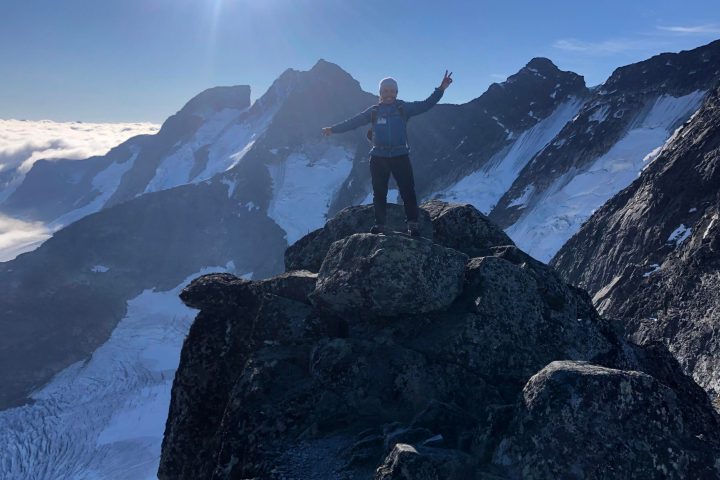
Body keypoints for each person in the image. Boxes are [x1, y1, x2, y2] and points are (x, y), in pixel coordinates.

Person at [322, 70, 453, 236]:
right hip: (378, 157)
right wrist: (333, 130)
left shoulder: (403, 108)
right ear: (380, 93)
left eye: (391, 91)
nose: (388, 94)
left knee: (407, 190)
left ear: (396, 93)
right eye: (385, 91)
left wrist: (441, 88)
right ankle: (380, 225)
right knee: (379, 192)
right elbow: (353, 122)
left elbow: (426, 105)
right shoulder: (374, 111)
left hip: (400, 155)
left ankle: (412, 224)